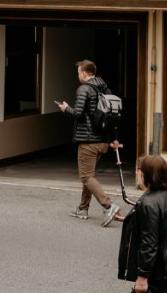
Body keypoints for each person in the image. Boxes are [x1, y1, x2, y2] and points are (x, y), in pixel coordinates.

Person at [57, 59, 125, 225]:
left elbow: (78, 114)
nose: (78, 75)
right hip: (103, 142)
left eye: (79, 72)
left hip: (88, 141)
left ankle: (109, 206)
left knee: (86, 176)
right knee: (89, 176)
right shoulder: (105, 88)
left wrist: (66, 109)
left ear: (85, 73)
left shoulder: (84, 89)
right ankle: (82, 209)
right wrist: (114, 138)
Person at [117, 155, 167, 293]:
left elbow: (149, 243)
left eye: (139, 170)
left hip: (155, 272)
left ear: (146, 175)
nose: (137, 173)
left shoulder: (148, 203)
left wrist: (142, 277)